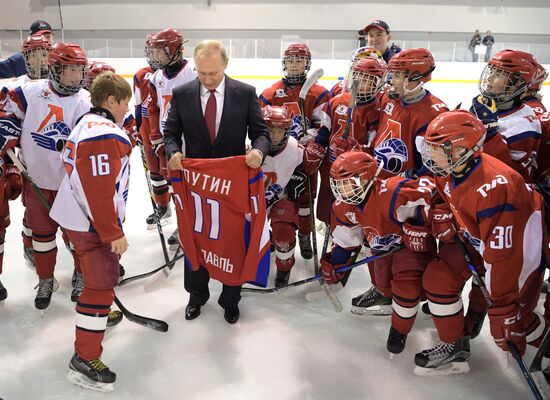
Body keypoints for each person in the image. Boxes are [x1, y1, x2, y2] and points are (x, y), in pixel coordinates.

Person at [418, 109, 549, 374]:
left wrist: (504, 307)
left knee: (515, 320)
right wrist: (441, 212)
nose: (431, 155)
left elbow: (506, 257)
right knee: (438, 277)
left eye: (438, 149)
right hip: (481, 239)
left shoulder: (496, 188)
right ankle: (454, 344)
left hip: (523, 247)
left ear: (461, 150)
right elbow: (448, 196)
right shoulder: (448, 167)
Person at [164, 40, 271, 324]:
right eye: (201, 73)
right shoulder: (182, 93)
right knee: (195, 235)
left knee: (232, 241)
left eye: (213, 73)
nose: (208, 79)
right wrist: (173, 151)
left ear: (225, 64)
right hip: (196, 185)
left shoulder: (245, 93)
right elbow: (170, 132)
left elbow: (261, 133)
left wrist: (259, 151)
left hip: (232, 186)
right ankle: (196, 296)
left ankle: (230, 298)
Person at [49, 71, 132, 392]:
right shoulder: (103, 134)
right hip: (91, 224)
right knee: (100, 284)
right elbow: (97, 189)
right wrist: (111, 231)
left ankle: (99, 312)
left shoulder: (86, 123)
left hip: (76, 219)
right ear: (110, 100)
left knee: (92, 275)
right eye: (124, 102)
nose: (126, 109)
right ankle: (85, 356)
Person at [352, 48, 448, 315]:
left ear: (415, 78)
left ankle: (406, 294)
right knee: (375, 239)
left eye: (396, 74)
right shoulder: (391, 99)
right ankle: (382, 290)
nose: (390, 79)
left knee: (407, 248)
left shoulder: (433, 113)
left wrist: (411, 180)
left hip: (405, 192)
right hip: (379, 183)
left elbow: (437, 165)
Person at [0, 42, 91, 309]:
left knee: (76, 236)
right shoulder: (30, 92)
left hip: (70, 186)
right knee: (41, 235)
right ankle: (45, 279)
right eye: (69, 70)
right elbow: (6, 110)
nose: (76, 76)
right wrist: (7, 132)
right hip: (36, 179)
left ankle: (82, 274)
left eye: (79, 70)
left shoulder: (85, 101)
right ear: (54, 69)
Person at [322, 150, 437, 354]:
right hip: (381, 250)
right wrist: (336, 264)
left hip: (408, 247)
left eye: (348, 182)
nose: (342, 189)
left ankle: (399, 330)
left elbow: (432, 197)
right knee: (384, 287)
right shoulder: (343, 206)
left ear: (367, 178)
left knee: (407, 288)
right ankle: (392, 298)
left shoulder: (392, 191)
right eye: (338, 184)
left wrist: (419, 226)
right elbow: (346, 238)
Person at [259, 43, 329, 260]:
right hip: (278, 156)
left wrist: (315, 138)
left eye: (300, 60)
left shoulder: (318, 93)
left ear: (307, 64)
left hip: (306, 157)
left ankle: (305, 236)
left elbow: (326, 124)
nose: (295, 64)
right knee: (277, 196)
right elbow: (258, 125)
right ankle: (275, 235)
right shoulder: (270, 92)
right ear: (284, 63)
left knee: (306, 200)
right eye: (291, 60)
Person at [0, 34, 51, 269]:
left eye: (44, 53)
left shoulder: (59, 84)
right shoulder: (15, 86)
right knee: (32, 208)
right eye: (33, 54)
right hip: (26, 158)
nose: (40, 58)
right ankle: (29, 243)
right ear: (26, 57)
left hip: (55, 158)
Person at [146, 28, 197, 242]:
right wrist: (156, 135)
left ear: (174, 49)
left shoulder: (193, 72)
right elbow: (154, 109)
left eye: (160, 51)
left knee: (190, 186)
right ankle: (181, 223)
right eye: (155, 51)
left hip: (191, 140)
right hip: (170, 140)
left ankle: (191, 225)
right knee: (175, 184)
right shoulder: (156, 77)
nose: (156, 56)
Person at [469, 49, 541, 182]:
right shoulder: (484, 106)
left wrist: (489, 132)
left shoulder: (524, 127)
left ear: (517, 83)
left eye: (499, 74)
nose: (489, 78)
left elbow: (509, 176)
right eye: (491, 71)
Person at [261, 106, 309, 287]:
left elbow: (301, 181)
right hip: (253, 200)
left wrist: (304, 172)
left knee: (283, 236)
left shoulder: (296, 150)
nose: (274, 135)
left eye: (279, 129)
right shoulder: (249, 147)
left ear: (287, 130)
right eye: (270, 128)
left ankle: (284, 268)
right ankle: (267, 240)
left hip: (282, 197)